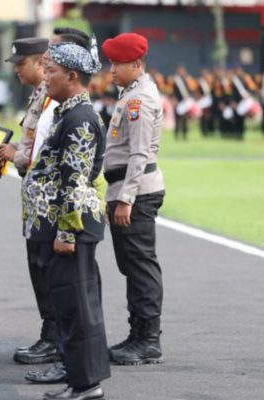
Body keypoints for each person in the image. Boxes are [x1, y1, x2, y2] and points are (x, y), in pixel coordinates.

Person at [23, 38, 110, 400]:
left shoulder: (80, 118)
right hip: (59, 226)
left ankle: (87, 385)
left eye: (52, 71)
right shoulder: (66, 112)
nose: (46, 78)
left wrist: (66, 233)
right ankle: (79, 381)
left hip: (69, 230)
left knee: (76, 307)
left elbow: (74, 180)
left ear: (72, 76)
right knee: (70, 305)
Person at [0, 37, 63, 367]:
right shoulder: (39, 95)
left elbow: (42, 151)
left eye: (21, 64)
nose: (17, 70)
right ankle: (50, 334)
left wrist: (15, 155)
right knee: (37, 266)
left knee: (46, 268)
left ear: (39, 63)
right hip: (33, 197)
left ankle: (54, 337)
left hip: (47, 199)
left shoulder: (52, 98)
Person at [101, 32, 166, 366]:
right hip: (125, 189)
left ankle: (147, 341)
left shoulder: (140, 100)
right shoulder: (131, 94)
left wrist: (125, 199)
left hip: (136, 192)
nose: (111, 69)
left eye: (118, 63)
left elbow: (140, 154)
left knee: (140, 266)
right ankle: (138, 334)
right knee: (132, 266)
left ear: (136, 64)